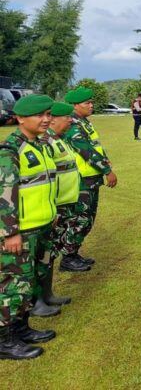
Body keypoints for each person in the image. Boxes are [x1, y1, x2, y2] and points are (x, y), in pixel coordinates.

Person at [0, 94, 58, 360]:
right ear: (20, 118)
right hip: (20, 232)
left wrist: (52, 212)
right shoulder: (10, 150)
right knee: (13, 286)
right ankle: (4, 340)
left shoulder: (39, 145)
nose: (46, 119)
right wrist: (10, 232)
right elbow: (4, 195)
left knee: (29, 283)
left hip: (41, 225)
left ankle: (21, 329)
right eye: (39, 115)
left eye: (48, 114)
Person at [61, 86, 118, 272]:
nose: (91, 105)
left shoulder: (84, 122)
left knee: (88, 218)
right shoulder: (73, 125)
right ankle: (67, 257)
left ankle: (73, 252)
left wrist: (106, 159)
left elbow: (95, 146)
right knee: (80, 219)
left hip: (91, 177)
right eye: (88, 103)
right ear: (76, 105)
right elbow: (87, 152)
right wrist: (107, 170)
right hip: (82, 179)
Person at [39, 102, 81, 314]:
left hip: (64, 204)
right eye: (67, 117)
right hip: (54, 207)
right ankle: (38, 300)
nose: (71, 121)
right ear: (53, 119)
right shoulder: (46, 142)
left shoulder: (57, 140)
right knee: (42, 255)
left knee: (52, 252)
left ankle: (47, 295)